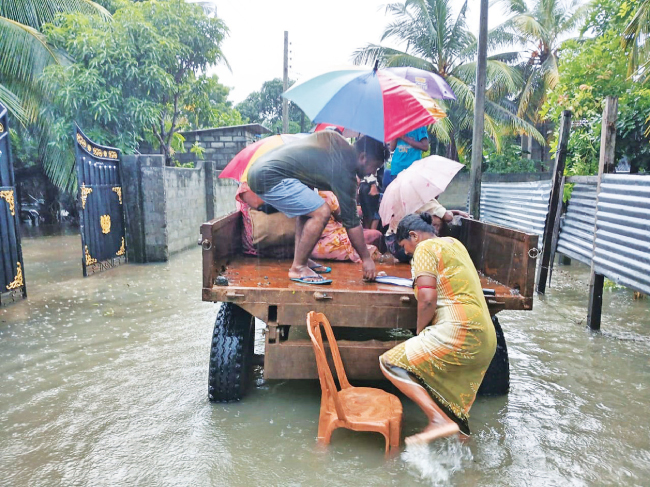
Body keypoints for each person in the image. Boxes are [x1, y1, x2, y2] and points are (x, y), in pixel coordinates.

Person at [379, 213, 496, 444]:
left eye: (406, 247)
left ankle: (437, 419)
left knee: (390, 362)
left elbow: (427, 299)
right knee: (455, 412)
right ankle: (467, 465)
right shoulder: (455, 244)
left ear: (413, 236)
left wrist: (420, 332)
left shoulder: (425, 248)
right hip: (486, 337)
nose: (409, 253)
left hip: (461, 331)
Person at [247, 131, 389, 284]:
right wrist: (366, 259)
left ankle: (303, 260)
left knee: (310, 210)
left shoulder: (335, 139)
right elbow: (352, 222)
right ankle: (298, 268)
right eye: (374, 167)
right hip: (268, 176)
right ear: (362, 157)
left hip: (261, 169)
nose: (374, 173)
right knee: (322, 211)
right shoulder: (345, 171)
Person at [385, 198, 471, 263]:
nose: (406, 252)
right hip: (401, 242)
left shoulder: (405, 198)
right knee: (437, 217)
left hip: (390, 240)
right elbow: (448, 217)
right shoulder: (426, 199)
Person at [311, 191, 382, 263]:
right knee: (375, 236)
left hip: (309, 247)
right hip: (332, 242)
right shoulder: (326, 195)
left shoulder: (303, 196)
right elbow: (343, 217)